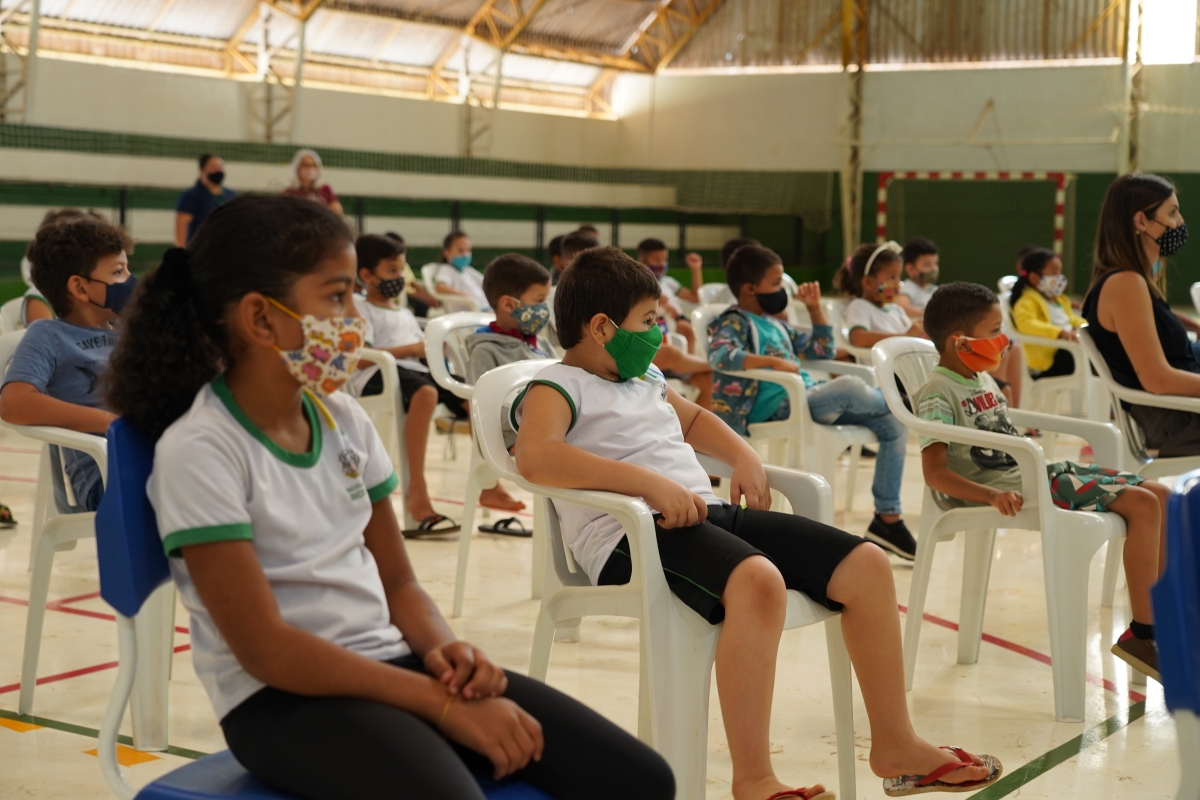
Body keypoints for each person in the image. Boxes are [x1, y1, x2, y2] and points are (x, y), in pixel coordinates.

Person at [102, 195, 674, 800]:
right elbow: (266, 649)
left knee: (640, 780)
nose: (355, 317)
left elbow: (399, 585)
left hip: (391, 663)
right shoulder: (201, 449)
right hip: (279, 701)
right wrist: (439, 704)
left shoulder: (343, 418)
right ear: (260, 318)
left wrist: (448, 655)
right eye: (336, 297)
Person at [514, 246, 1001, 800]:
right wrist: (647, 484)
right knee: (758, 581)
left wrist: (743, 455)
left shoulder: (643, 375)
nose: (656, 333)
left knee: (867, 564)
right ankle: (754, 779)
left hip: (699, 514)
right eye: (647, 322)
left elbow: (694, 420)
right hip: (628, 535)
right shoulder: (557, 385)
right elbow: (537, 457)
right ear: (602, 327)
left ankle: (896, 745)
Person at [916, 282, 1168, 680]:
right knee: (1143, 503)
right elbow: (935, 473)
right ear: (959, 341)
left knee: (1162, 495)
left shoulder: (980, 378)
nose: (1003, 340)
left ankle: (1163, 617)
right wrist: (991, 494)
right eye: (994, 331)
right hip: (1018, 486)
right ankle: (1144, 633)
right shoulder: (937, 391)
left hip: (1041, 472)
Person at [709, 245, 915, 558]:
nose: (782, 291)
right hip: (775, 406)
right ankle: (907, 404)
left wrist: (815, 308)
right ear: (750, 288)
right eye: (776, 283)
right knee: (848, 386)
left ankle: (887, 519)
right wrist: (773, 362)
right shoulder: (735, 321)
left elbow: (822, 349)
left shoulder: (776, 323)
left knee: (892, 425)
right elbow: (720, 355)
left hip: (806, 398)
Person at [0, 214, 135, 511]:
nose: (130, 280)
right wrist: (109, 422)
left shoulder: (130, 328)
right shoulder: (49, 335)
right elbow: (13, 403)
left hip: (156, 455)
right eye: (118, 272)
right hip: (107, 473)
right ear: (80, 288)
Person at [352, 234, 469, 537]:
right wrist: (413, 349)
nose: (399, 277)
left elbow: (420, 352)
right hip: (378, 375)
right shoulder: (362, 309)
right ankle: (417, 488)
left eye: (401, 270)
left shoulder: (404, 312)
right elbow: (362, 359)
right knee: (426, 392)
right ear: (367, 275)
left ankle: (490, 485)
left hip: (412, 372)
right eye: (392, 270)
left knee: (470, 396)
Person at [1081, 173, 1200, 456]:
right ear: (1141, 221)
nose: (1180, 222)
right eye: (1172, 213)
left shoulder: (1136, 278)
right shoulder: (1125, 283)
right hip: (1177, 420)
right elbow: (1157, 379)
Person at [1009, 248, 1085, 379]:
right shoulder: (1026, 301)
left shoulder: (1058, 300)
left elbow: (1071, 319)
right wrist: (1060, 332)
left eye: (1060, 272)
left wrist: (1083, 327)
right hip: (1048, 360)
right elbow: (1026, 323)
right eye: (1054, 272)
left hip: (1066, 348)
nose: (1060, 277)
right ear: (1034, 278)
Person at [837, 242, 923, 348]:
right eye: (891, 277)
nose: (898, 283)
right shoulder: (859, 306)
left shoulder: (896, 310)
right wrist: (906, 336)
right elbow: (858, 339)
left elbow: (911, 335)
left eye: (899, 277)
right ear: (868, 282)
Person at [637, 238, 697, 352]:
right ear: (642, 261)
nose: (662, 264)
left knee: (687, 328)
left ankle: (690, 359)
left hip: (677, 318)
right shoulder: (639, 282)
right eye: (657, 260)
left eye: (664, 260)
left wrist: (695, 269)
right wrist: (658, 302)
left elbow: (695, 298)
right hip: (658, 318)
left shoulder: (668, 281)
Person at [175, 154, 236, 247]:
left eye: (220, 167)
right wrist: (180, 250)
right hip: (200, 248)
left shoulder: (231, 195)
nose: (218, 170)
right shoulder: (191, 196)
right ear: (202, 171)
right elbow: (181, 224)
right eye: (213, 167)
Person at [384, 232, 441, 318]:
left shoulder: (404, 265)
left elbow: (412, 282)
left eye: (402, 248)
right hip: (401, 296)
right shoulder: (386, 267)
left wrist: (427, 296)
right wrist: (422, 297)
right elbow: (400, 290)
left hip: (410, 294)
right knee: (422, 305)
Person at [435, 231, 490, 312]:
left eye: (468, 250)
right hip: (470, 313)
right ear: (447, 253)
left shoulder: (469, 270)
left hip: (486, 307)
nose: (465, 254)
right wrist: (466, 298)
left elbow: (488, 284)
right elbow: (440, 287)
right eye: (460, 251)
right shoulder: (447, 270)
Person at [283, 148, 344, 216]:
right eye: (305, 165)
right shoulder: (290, 192)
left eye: (313, 165)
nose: (309, 169)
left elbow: (337, 209)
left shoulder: (325, 189)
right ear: (297, 168)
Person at [896, 237, 939, 318]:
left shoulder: (934, 289)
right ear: (911, 269)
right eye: (927, 265)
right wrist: (931, 315)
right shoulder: (909, 287)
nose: (934, 269)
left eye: (936, 263)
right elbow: (902, 307)